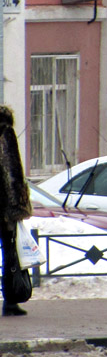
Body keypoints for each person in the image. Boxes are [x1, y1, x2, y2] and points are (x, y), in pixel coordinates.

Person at [1, 104, 33, 316]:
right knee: (10, 254)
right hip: (4, 207)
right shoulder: (5, 132)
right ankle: (10, 301)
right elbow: (11, 171)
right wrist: (17, 205)